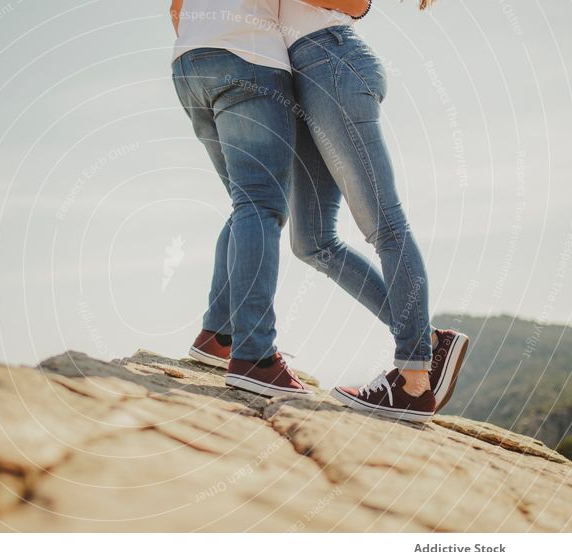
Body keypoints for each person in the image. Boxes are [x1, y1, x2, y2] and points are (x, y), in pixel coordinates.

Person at [280, 0, 469, 421]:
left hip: (329, 59)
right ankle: (430, 340)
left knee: (384, 224)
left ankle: (413, 382)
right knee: (311, 242)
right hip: (297, 80)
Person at [170, 0, 313, 397]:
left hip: (189, 62)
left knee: (245, 201)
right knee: (260, 205)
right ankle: (255, 356)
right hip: (249, 58)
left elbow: (177, 9)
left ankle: (218, 335)